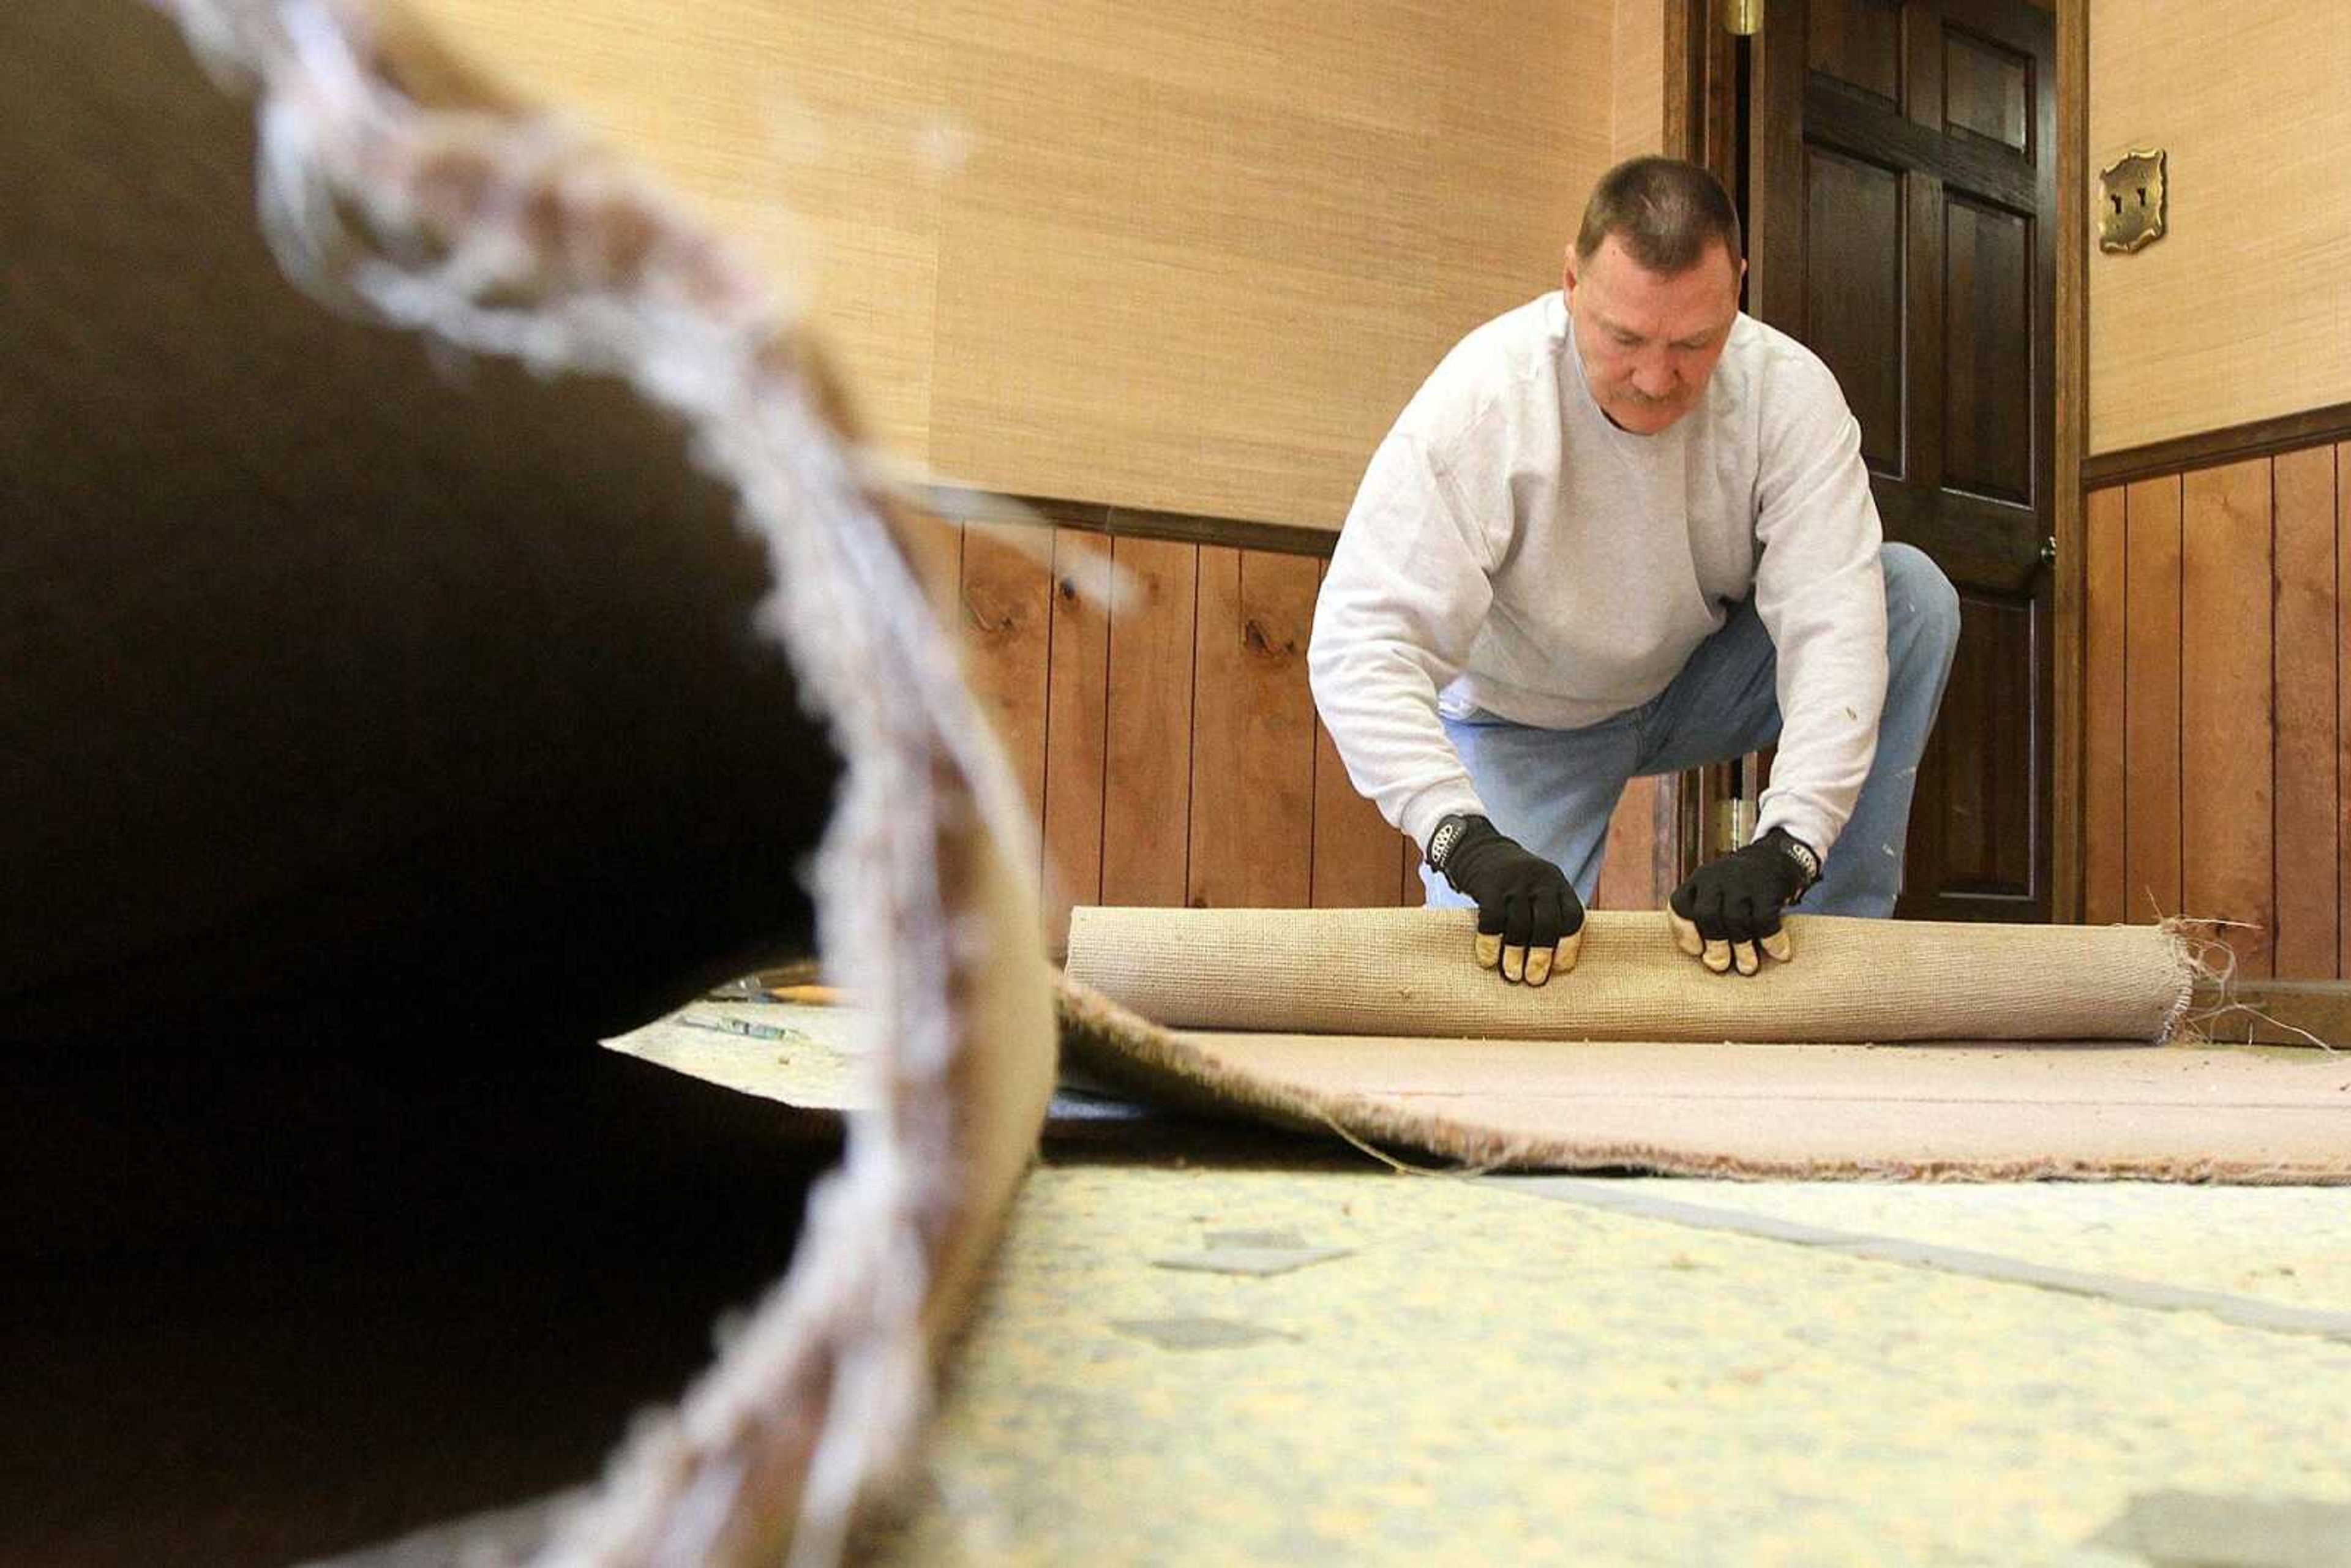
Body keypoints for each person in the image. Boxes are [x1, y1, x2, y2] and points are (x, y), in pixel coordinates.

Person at [1308, 156, 1960, 986]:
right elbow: (1359, 643)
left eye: (1694, 343)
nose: (1657, 379)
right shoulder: (1485, 398)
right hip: (1523, 720)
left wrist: (1792, 843)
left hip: (1691, 682)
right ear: (1571, 281)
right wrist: (1462, 838)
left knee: (1910, 597)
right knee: (1495, 982)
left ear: (1738, 292)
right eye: (1624, 340)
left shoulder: (1789, 395)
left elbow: (1835, 622)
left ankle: (1834, 941)